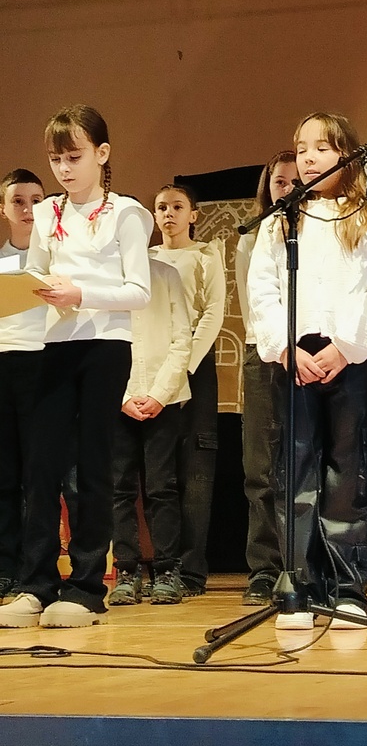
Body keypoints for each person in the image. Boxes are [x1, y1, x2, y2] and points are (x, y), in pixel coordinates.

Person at [0, 105, 153, 628]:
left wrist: (80, 292)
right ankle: (35, 583)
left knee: (92, 464)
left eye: (74, 157)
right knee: (41, 465)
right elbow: (38, 272)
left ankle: (86, 585)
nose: (64, 169)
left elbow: (139, 291)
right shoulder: (47, 213)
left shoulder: (126, 213)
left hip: (105, 344)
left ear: (102, 154)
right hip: (55, 342)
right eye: (56, 159)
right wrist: (34, 288)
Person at [248, 112, 367, 630]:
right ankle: (299, 584)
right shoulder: (282, 220)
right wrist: (285, 347)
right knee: (295, 472)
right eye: (302, 148)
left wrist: (348, 346)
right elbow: (263, 289)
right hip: (295, 358)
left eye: (322, 148)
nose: (309, 158)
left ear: (347, 155)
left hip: (347, 358)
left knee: (349, 474)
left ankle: (348, 588)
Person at [150, 185, 226, 597]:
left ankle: (192, 569)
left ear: (193, 214)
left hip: (194, 367)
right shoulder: (146, 259)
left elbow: (213, 312)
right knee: (159, 471)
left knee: (196, 467)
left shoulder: (206, 255)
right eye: (162, 207)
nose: (169, 214)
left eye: (177, 207)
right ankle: (163, 566)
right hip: (155, 368)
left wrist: (186, 366)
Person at [109, 256, 193, 606]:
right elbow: (102, 343)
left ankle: (167, 570)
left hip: (164, 398)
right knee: (120, 487)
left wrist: (159, 394)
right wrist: (123, 396)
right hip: (119, 397)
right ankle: (126, 569)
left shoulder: (166, 274)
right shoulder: (106, 277)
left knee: (162, 487)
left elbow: (182, 339)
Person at [235, 150, 297, 605]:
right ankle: (264, 569)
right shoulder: (253, 237)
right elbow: (253, 304)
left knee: (307, 462)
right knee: (261, 468)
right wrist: (275, 346)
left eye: (296, 181)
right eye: (279, 181)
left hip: (315, 354)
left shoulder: (327, 231)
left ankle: (310, 563)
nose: (287, 189)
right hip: (265, 352)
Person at [0, 169, 46, 599]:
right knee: (5, 475)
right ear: (4, 208)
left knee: (41, 477)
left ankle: (38, 570)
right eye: (18, 200)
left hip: (44, 366)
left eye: (36, 200)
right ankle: (6, 567)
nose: (28, 209)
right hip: (4, 367)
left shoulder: (56, 260)